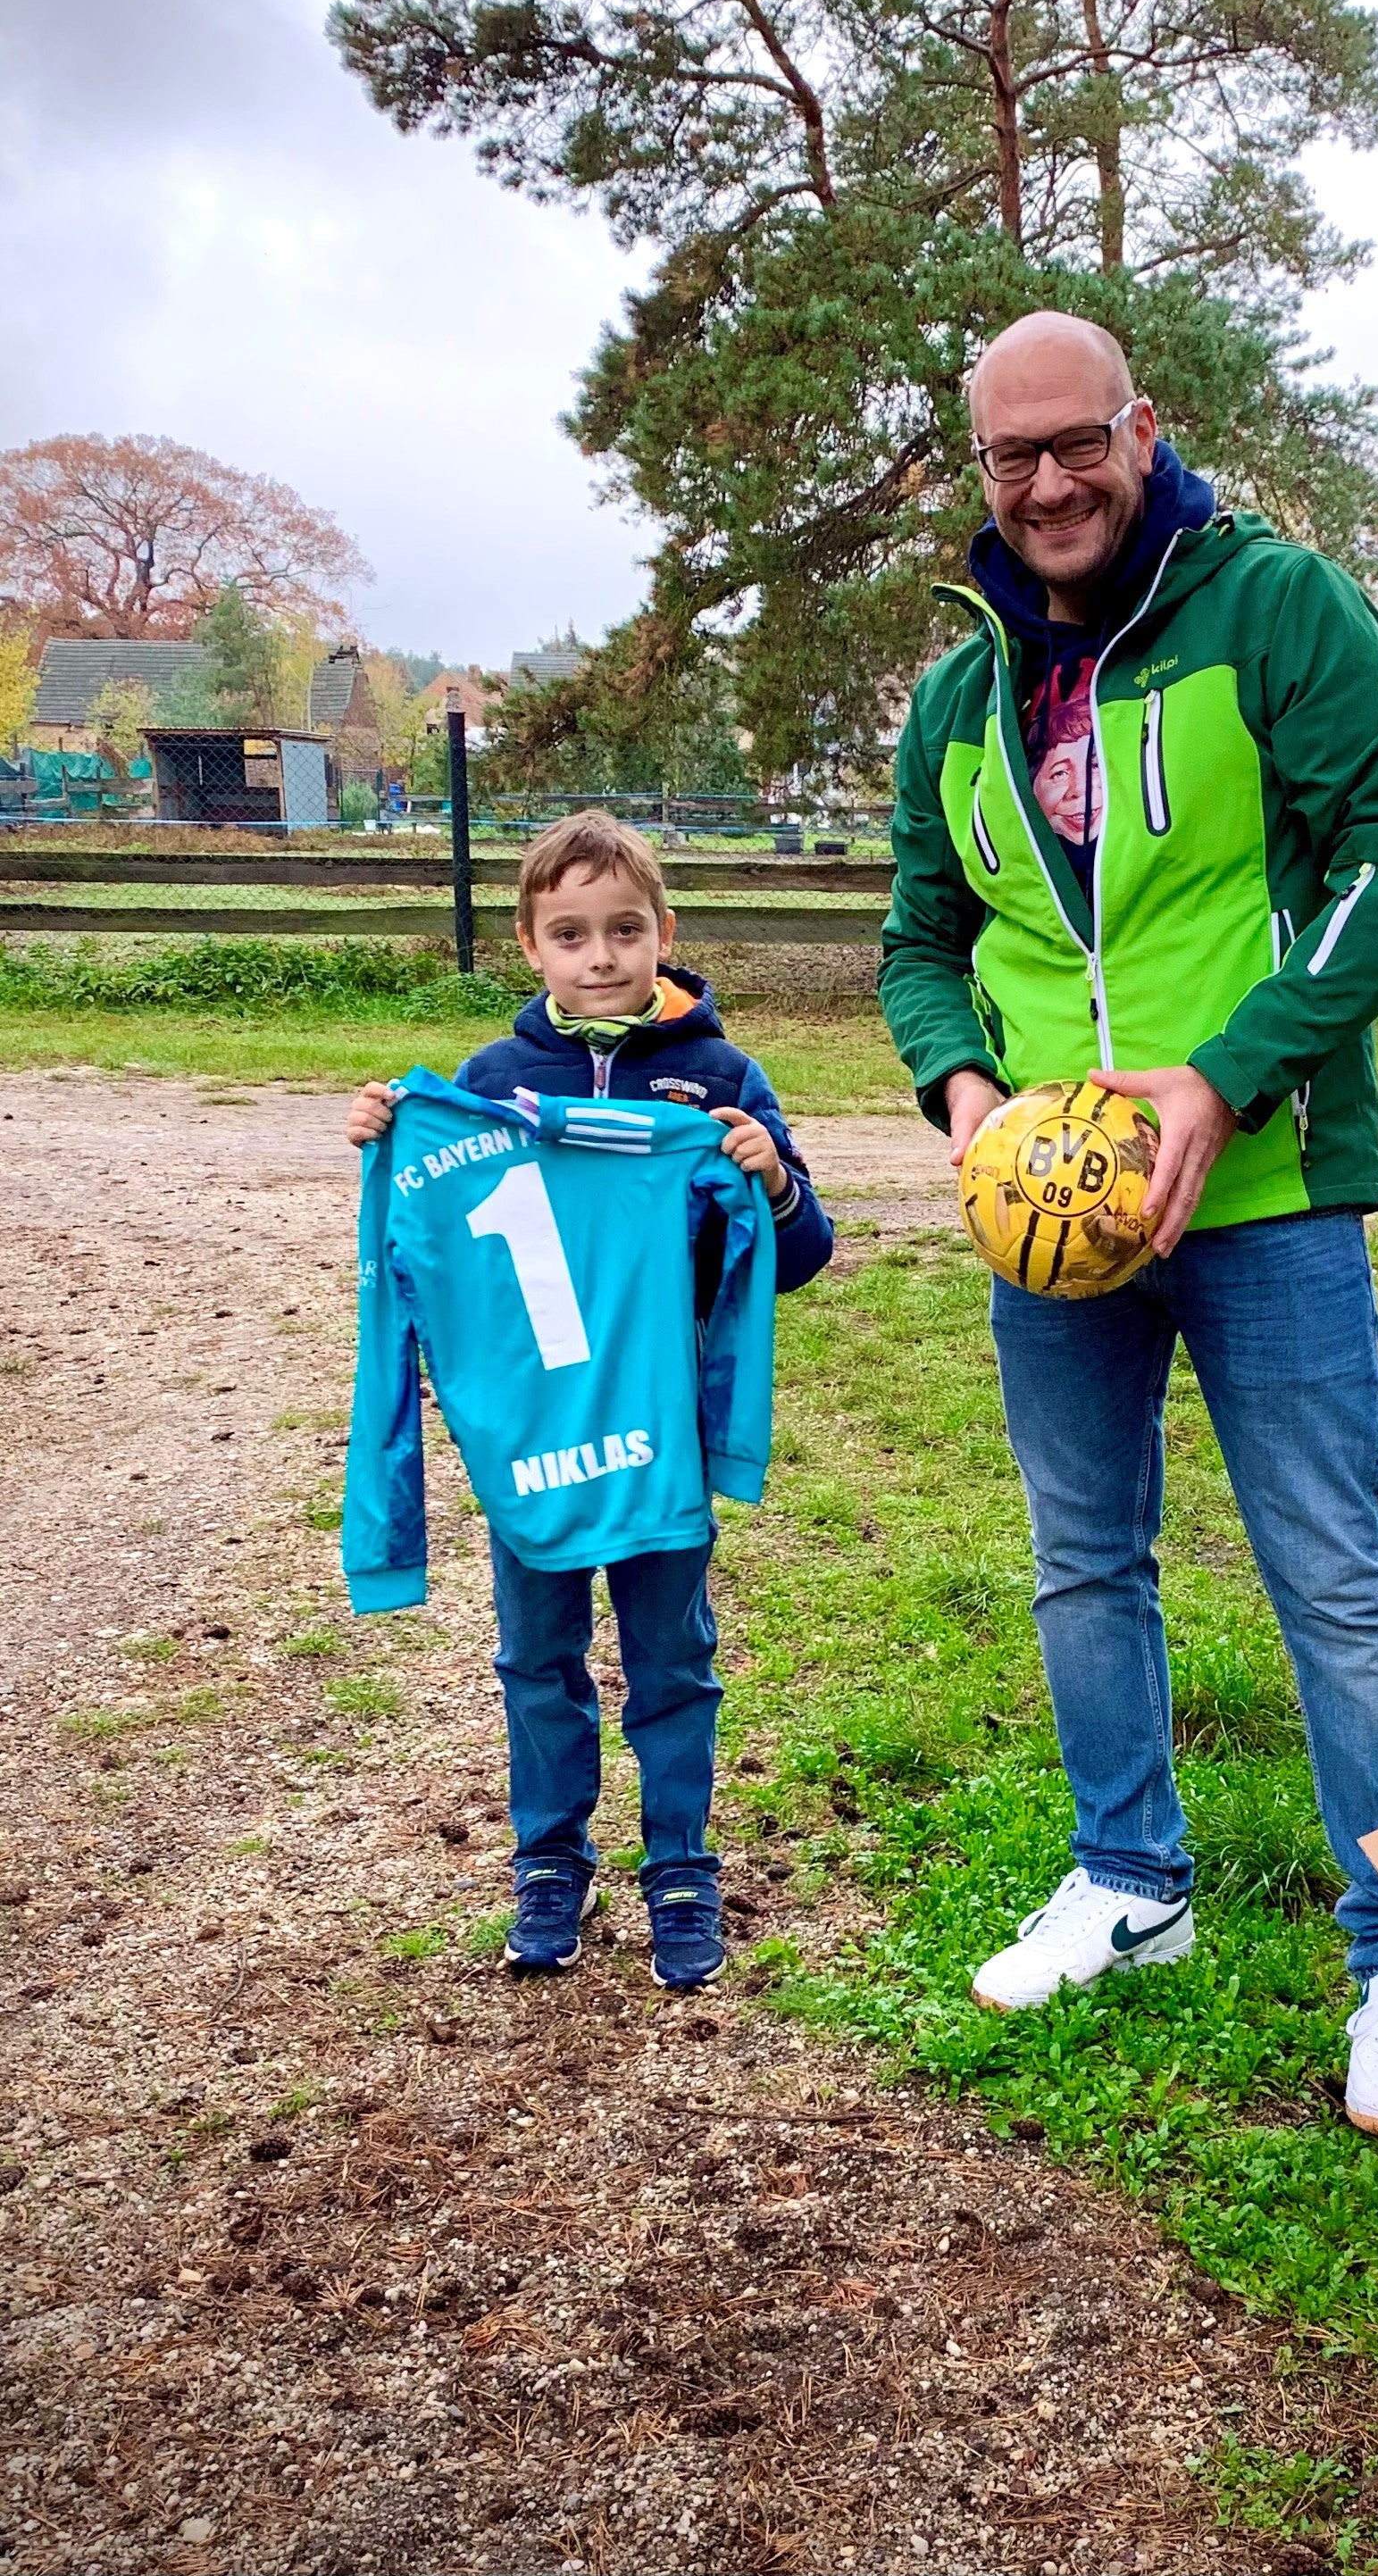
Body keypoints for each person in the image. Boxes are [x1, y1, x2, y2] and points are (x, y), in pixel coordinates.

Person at [880, 312, 1378, 2139]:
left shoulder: (1275, 608)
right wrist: (968, 1103)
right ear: (977, 474)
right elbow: (917, 940)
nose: (1046, 484)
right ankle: (1128, 1886)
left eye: (1076, 444)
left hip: (1262, 1186)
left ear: (1143, 429)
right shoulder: (955, 696)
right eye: (1007, 458)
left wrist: (1228, 1077)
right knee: (1082, 1556)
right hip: (1049, 1224)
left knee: (1334, 1581)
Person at [346, 810, 832, 1988]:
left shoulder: (719, 1077)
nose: (601, 957)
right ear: (529, 945)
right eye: (571, 934)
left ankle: (681, 1869)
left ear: (664, 934)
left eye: (624, 931)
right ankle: (549, 1864)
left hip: (657, 1432)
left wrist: (766, 1176)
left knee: (673, 1658)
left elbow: (804, 1251)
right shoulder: (490, 1083)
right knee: (537, 1659)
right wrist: (390, 1136)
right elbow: (448, 1246)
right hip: (540, 1440)